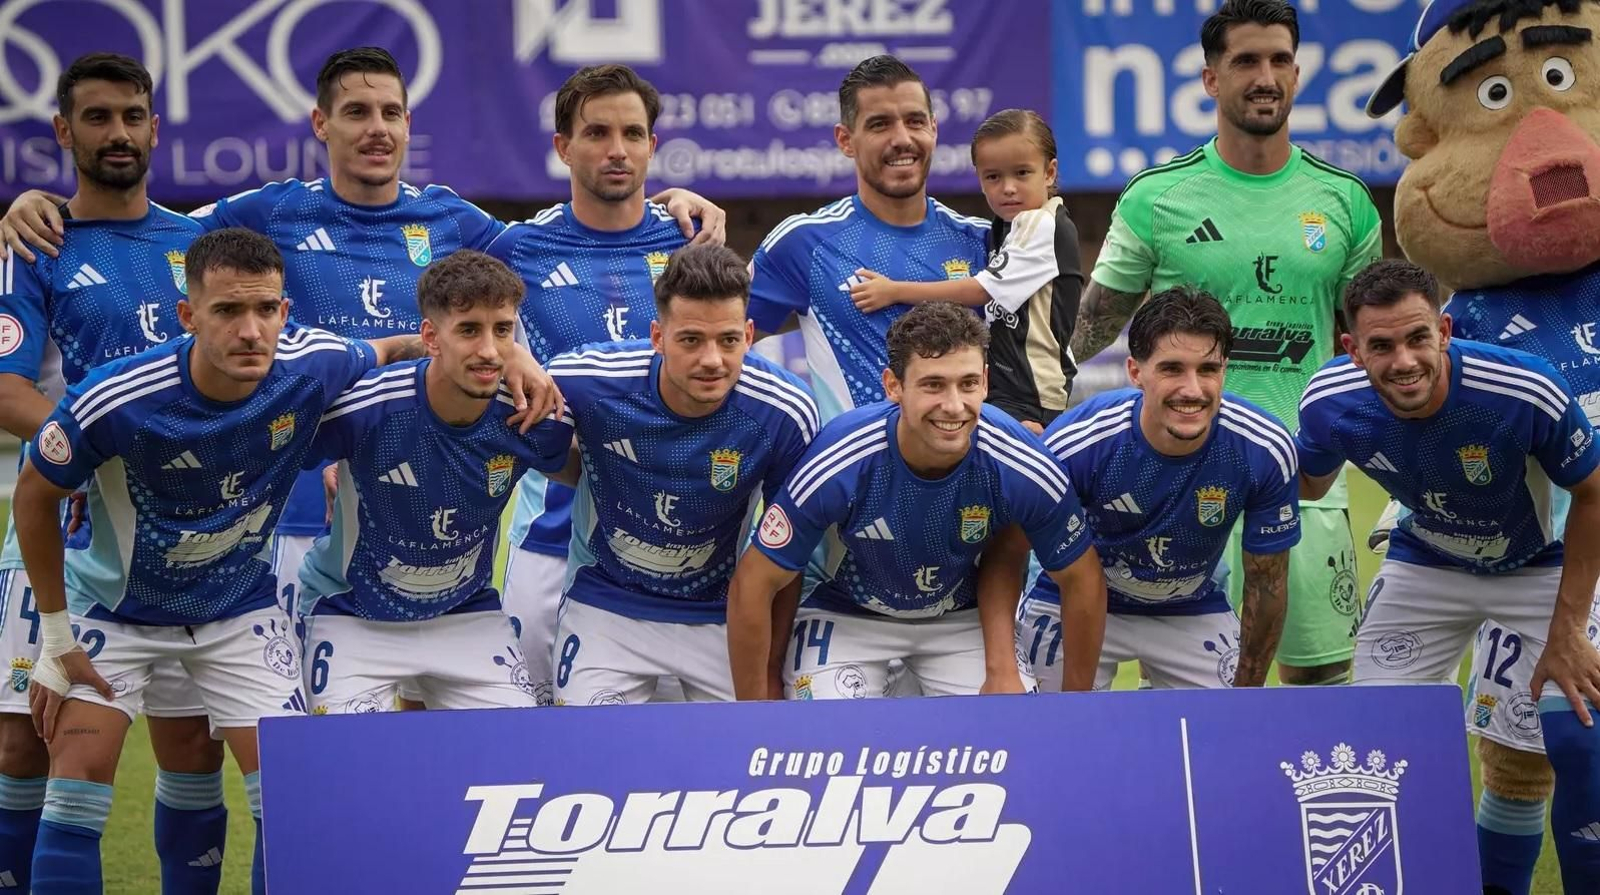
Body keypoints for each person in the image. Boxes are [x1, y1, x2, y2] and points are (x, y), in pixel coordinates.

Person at [0, 48, 725, 662]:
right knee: (263, 721)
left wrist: (670, 204)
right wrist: (44, 205)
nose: (375, 129)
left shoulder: (455, 220)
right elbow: (138, 229)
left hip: (426, 493)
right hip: (296, 499)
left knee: (423, 696)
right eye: (356, 113)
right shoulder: (267, 212)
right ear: (321, 124)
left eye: (390, 114)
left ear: (409, 125)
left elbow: (554, 250)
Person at [9, 227, 553, 894]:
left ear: (285, 313)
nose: (251, 330)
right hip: (115, 613)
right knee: (76, 783)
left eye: (266, 309)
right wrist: (54, 637)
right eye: (229, 311)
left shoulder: (315, 363)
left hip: (239, 612)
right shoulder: (115, 395)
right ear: (189, 316)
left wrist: (513, 356)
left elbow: (401, 345)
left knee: (296, 790)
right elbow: (34, 493)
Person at [1069, 0, 1383, 688]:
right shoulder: (1158, 197)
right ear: (1211, 79)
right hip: (1176, 483)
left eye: (1278, 61)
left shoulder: (1346, 201)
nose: (1264, 76)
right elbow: (1086, 330)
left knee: (1319, 687)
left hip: (1303, 478)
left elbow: (1372, 351)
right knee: (1185, 703)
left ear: (1298, 76)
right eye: (1245, 61)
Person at [1296, 258, 1600, 893]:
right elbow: (1306, 480)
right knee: (1375, 744)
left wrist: (1568, 629)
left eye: (1416, 339)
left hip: (1537, 565)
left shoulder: (1523, 388)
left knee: (1579, 735)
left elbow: (1595, 493)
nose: (1403, 361)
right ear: (1352, 349)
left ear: (1445, 329)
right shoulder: (1329, 402)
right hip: (1427, 565)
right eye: (1380, 346)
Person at [0, 53, 222, 894]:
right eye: (96, 118)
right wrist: (108, 444)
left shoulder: (198, 240)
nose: (118, 133)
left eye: (132, 116)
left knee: (191, 741)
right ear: (63, 131)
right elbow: (6, 388)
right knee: (25, 741)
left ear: (156, 128)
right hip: (55, 528)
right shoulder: (35, 242)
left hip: (181, 537)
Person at [726, 301, 1106, 700]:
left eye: (968, 383)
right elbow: (754, 583)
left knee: (1012, 725)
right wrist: (758, 712)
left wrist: (1071, 703)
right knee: (829, 743)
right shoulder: (840, 457)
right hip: (845, 613)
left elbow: (1082, 578)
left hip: (959, 618)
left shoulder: (1020, 460)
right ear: (893, 386)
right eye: (933, 385)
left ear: (986, 382)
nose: (954, 405)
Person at [486, 64, 705, 704]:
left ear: (651, 147)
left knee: (683, 763)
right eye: (597, 132)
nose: (617, 149)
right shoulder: (515, 250)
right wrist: (506, 353)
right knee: (537, 742)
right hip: (551, 538)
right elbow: (450, 329)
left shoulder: (693, 246)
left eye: (633, 134)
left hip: (680, 550)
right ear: (563, 147)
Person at [541, 244, 817, 705]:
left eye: (728, 340)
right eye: (690, 340)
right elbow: (502, 393)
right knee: (593, 754)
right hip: (608, 607)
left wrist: (771, 667)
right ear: (657, 336)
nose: (712, 359)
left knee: (734, 764)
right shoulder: (585, 379)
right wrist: (513, 361)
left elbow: (789, 557)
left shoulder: (785, 411)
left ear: (749, 335)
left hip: (721, 616)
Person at [298, 251, 573, 714]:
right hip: (350, 613)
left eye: (502, 330)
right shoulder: (366, 408)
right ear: (431, 337)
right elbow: (273, 457)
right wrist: (337, 468)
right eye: (469, 330)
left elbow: (591, 476)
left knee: (517, 760)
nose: (489, 350)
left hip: (466, 615)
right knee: (346, 773)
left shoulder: (530, 415)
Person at [1019, 287, 1297, 691]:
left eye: (1208, 369)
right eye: (1172, 369)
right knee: (1056, 731)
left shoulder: (1263, 447)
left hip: (1191, 604)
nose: (1192, 389)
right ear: (1135, 372)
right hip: (1070, 602)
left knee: (1224, 736)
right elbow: (1011, 548)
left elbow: (1266, 584)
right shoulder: (1077, 443)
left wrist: (1246, 694)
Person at [747, 54, 990, 423]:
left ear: (934, 129)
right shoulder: (803, 244)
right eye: (880, 125)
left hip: (967, 475)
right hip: (854, 477)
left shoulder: (983, 241)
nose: (902, 139)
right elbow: (718, 343)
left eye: (915, 121)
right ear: (846, 140)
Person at [847, 108, 1084, 434]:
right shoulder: (1007, 226)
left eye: (1022, 173)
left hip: (1030, 395)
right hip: (1006, 386)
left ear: (1049, 172)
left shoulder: (1041, 224)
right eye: (993, 177)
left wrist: (895, 291)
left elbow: (980, 290)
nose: (1008, 188)